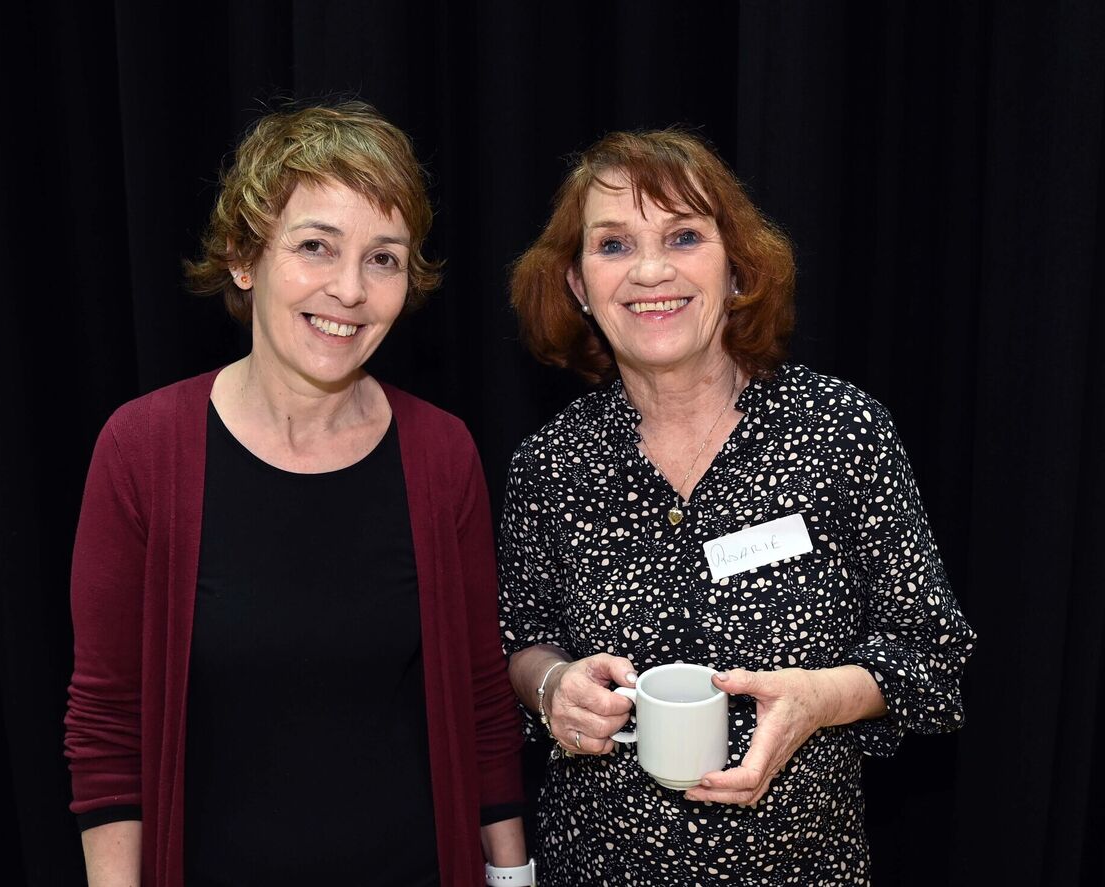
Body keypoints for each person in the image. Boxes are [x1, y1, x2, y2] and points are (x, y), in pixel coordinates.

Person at [65, 102, 533, 887]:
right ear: (245, 258)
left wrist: (514, 878)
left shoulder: (442, 452)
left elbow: (483, 701)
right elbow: (109, 727)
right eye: (317, 246)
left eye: (383, 258)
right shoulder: (141, 451)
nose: (349, 288)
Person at [498, 128, 976, 884]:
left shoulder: (840, 431)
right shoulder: (549, 466)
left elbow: (934, 656)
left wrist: (820, 697)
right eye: (614, 245)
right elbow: (521, 640)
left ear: (736, 270)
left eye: (684, 235)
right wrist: (553, 686)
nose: (651, 270)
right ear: (579, 287)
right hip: (594, 866)